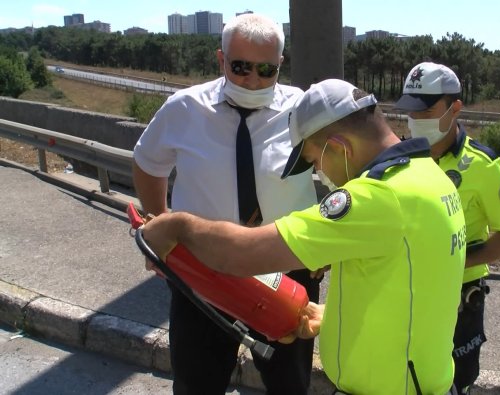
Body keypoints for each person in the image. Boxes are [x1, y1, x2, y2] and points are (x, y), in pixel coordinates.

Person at [141, 78, 466, 395]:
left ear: (339, 147)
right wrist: (336, 315)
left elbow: (241, 255)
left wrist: (178, 225)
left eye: (314, 161)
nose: (321, 175)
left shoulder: (376, 198)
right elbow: (413, 286)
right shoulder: (430, 178)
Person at [131, 13, 321, 395]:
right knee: (197, 382)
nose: (254, 80)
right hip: (204, 271)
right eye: (241, 67)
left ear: (281, 64)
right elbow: (147, 163)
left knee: (290, 385)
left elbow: (345, 167)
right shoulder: (184, 108)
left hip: (286, 269)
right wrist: (158, 229)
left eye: (267, 70)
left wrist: (327, 244)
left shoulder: (304, 110)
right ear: (221, 60)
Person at [395, 62, 500, 394]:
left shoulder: (483, 166)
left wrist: (457, 261)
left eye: (426, 111)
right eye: (411, 111)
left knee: (456, 381)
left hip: (459, 295)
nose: (416, 120)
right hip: (404, 288)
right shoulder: (398, 157)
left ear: (455, 108)